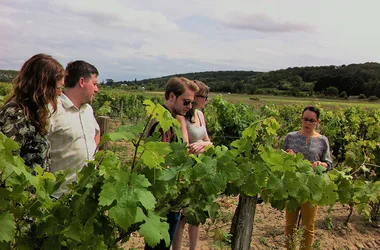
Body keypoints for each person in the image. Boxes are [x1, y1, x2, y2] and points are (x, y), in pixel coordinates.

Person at [145, 76, 199, 250]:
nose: (189, 107)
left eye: (191, 103)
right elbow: (156, 162)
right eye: (186, 102)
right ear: (171, 97)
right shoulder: (162, 123)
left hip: (169, 195)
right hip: (163, 197)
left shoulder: (170, 120)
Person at [0, 53, 65, 172]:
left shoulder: (34, 111)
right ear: (43, 86)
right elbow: (5, 166)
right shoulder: (15, 114)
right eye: (58, 88)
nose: (60, 93)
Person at [283, 106, 332, 250]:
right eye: (305, 119)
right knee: (290, 225)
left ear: (317, 122)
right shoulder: (290, 137)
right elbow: (281, 159)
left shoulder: (323, 140)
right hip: (292, 186)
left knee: (308, 226)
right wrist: (288, 157)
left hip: (311, 187)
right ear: (301, 119)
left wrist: (320, 164)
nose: (307, 123)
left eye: (311, 120)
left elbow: (329, 164)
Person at [48, 60, 100, 198]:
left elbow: (96, 132)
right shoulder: (53, 109)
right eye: (94, 84)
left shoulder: (88, 110)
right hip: (58, 196)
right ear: (82, 82)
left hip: (85, 195)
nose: (97, 89)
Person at [172, 80, 212, 250]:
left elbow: (209, 142)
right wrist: (202, 146)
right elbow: (185, 148)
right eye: (205, 96)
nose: (207, 100)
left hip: (201, 170)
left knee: (195, 214)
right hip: (187, 170)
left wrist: (203, 146)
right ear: (196, 97)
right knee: (181, 215)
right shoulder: (181, 118)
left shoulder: (201, 116)